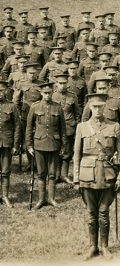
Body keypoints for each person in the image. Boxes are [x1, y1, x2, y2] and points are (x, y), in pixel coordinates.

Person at [72, 93, 120, 260]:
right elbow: (76, 154)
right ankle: (92, 246)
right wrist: (75, 177)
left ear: (105, 107)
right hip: (87, 174)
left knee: (103, 212)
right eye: (94, 107)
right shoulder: (82, 127)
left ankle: (104, 246)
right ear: (89, 107)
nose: (97, 110)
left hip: (108, 174)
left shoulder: (114, 126)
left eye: (100, 106)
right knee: (91, 213)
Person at [26, 81, 65, 209]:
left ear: (52, 92)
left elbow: (62, 129)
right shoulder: (35, 107)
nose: (47, 95)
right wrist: (30, 145)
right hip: (39, 144)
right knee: (41, 173)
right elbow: (29, 127)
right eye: (45, 93)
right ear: (41, 93)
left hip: (54, 144)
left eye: (49, 93)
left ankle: (52, 198)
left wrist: (63, 146)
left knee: (52, 174)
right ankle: (41, 199)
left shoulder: (58, 107)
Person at [0, 80, 19, 207]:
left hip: (7, 142)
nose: (0, 93)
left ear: (6, 91)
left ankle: (5, 196)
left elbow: (17, 126)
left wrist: (15, 145)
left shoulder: (11, 106)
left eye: (2, 91)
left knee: (6, 171)